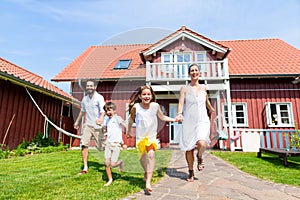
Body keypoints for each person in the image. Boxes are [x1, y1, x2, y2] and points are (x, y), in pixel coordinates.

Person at [126, 85, 177, 195]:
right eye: (144, 94)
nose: (146, 96)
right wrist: (128, 131)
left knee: (151, 155)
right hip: (140, 137)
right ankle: (146, 171)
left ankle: (148, 182)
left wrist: (174, 119)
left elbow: (162, 117)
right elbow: (131, 120)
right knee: (142, 159)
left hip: (151, 137)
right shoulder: (136, 107)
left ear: (152, 95)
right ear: (139, 96)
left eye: (148, 94)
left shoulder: (155, 106)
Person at [176, 63, 215, 182]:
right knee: (189, 148)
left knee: (202, 143)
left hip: (202, 120)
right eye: (192, 71)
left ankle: (199, 156)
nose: (194, 72)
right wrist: (179, 113)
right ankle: (191, 171)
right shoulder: (184, 89)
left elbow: (206, 100)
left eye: (196, 70)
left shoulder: (203, 88)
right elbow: (181, 103)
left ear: (199, 73)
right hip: (189, 121)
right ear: (189, 74)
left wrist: (210, 108)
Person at [74, 80, 105, 175]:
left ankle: (111, 160)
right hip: (87, 125)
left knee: (101, 147)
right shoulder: (84, 99)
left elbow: (103, 111)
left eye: (91, 86)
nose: (89, 87)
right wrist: (77, 121)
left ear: (95, 87)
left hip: (97, 125)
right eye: (87, 86)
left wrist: (100, 119)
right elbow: (82, 111)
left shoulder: (99, 97)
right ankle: (85, 167)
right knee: (84, 144)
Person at [102, 102, 127, 186]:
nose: (108, 112)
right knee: (106, 163)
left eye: (109, 110)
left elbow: (124, 125)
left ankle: (120, 162)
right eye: (106, 111)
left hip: (116, 145)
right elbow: (105, 129)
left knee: (113, 164)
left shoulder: (117, 118)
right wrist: (104, 134)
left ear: (114, 110)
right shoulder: (106, 120)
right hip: (108, 144)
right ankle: (110, 179)